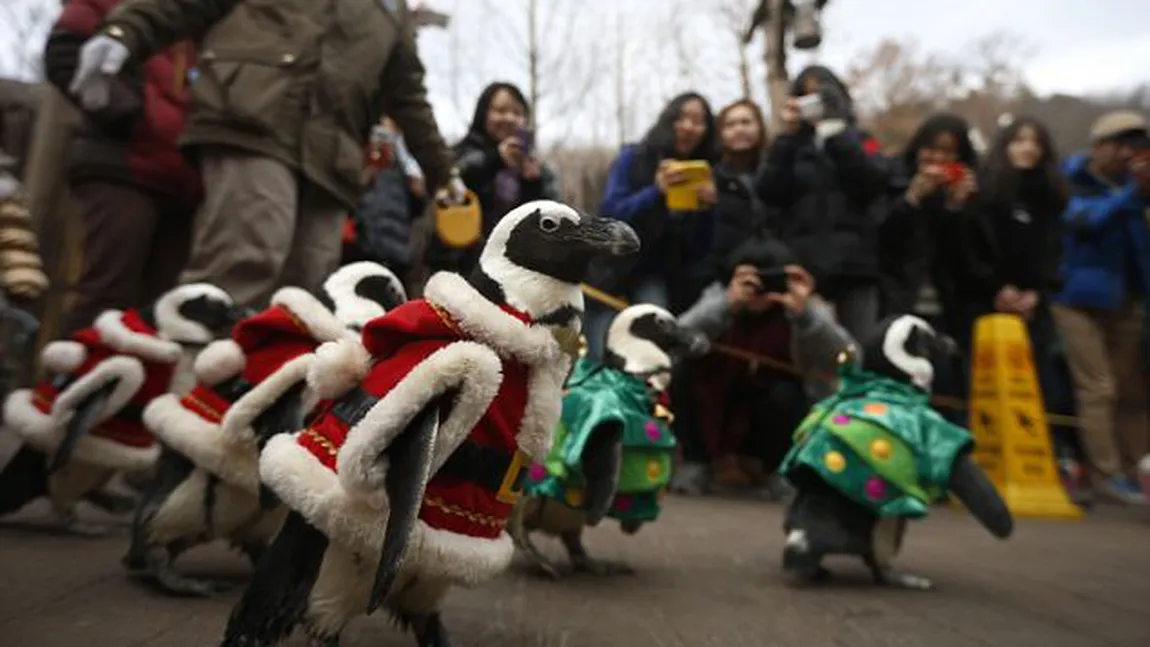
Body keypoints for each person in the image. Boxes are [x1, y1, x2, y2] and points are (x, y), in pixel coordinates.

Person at [66, 0, 464, 310]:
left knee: (303, 296)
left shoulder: (390, 9)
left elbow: (408, 95)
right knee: (244, 262)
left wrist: (443, 171)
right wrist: (124, 31)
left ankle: (264, 406)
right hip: (251, 121)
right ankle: (194, 398)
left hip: (329, 165)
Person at [42, 0, 201, 334]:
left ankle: (139, 384)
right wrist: (128, 117)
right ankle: (71, 380)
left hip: (187, 177)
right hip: (123, 166)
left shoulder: (203, 13)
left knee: (162, 305)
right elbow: (65, 52)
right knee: (106, 292)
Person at [671, 236, 853, 497]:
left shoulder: (805, 306)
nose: (761, 290)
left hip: (773, 406)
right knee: (684, 373)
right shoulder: (718, 297)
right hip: (717, 398)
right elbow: (674, 340)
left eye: (770, 281)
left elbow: (846, 358)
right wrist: (726, 305)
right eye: (753, 281)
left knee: (785, 395)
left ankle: (779, 470)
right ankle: (696, 462)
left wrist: (807, 317)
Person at [977, 116, 1082, 493]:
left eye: (1036, 142)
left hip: (1036, 303)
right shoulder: (986, 192)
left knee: (1045, 384)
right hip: (988, 301)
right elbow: (972, 246)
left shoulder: (1051, 197)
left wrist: (1038, 291)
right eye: (1020, 141)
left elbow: (1053, 253)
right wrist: (995, 287)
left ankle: (1051, 462)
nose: (1028, 148)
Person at [1051, 111, 1150, 505]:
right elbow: (1085, 222)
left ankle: (1136, 469)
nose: (1129, 154)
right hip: (1075, 299)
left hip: (1127, 300)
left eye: (1138, 146)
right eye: (1121, 144)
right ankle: (1106, 475)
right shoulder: (1068, 179)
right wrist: (1133, 194)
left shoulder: (1138, 191)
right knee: (1098, 387)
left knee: (1132, 391)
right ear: (1098, 147)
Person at [756, 66, 890, 341]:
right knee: (813, 352)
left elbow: (873, 182)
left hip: (856, 268)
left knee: (860, 351)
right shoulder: (789, 145)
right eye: (805, 96)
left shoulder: (860, 139)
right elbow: (768, 191)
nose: (812, 103)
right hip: (805, 268)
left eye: (819, 95)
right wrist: (787, 138)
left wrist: (836, 135)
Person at [586, 92, 718, 358]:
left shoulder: (706, 173)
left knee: (650, 357)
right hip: (609, 272)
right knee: (600, 356)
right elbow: (610, 213)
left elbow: (698, 249)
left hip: (655, 276)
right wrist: (655, 191)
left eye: (698, 121)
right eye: (682, 118)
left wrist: (707, 209)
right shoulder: (634, 157)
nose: (689, 127)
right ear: (669, 120)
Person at [425, 82, 559, 275]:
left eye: (517, 113)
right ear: (483, 114)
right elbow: (450, 183)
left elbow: (551, 225)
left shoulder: (539, 169)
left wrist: (533, 183)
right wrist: (495, 158)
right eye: (501, 110)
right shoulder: (458, 154)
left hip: (512, 273)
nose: (510, 118)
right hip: (458, 267)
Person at [346, 116, 428, 281]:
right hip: (362, 244)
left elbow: (418, 209)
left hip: (398, 249)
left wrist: (418, 192)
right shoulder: (360, 153)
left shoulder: (408, 164)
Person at [704, 99, 775, 286]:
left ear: (759, 127)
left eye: (746, 122)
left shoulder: (778, 169)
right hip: (729, 278)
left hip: (780, 269)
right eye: (730, 125)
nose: (739, 129)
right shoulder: (711, 179)